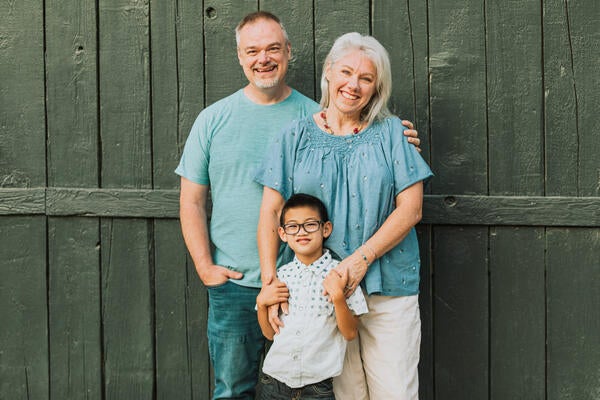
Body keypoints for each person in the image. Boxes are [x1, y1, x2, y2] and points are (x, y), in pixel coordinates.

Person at [175, 11, 420, 399]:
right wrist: (214, 270)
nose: (263, 58)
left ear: (289, 52)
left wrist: (396, 138)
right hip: (262, 285)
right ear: (239, 56)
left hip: (338, 284)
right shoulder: (222, 121)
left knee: (352, 390)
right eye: (252, 50)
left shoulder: (350, 123)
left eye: (273, 48)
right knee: (239, 388)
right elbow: (195, 201)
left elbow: (400, 189)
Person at [255, 32, 433, 399]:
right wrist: (270, 284)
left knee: (395, 391)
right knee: (346, 393)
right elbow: (271, 211)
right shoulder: (294, 136)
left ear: (376, 87)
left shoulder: (392, 134)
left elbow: (412, 208)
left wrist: (359, 260)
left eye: (366, 78)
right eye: (346, 73)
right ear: (329, 73)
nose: (353, 85)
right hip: (318, 294)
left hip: (388, 286)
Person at [256, 193, 368, 399]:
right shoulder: (281, 276)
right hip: (274, 382)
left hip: (317, 387)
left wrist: (338, 298)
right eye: (293, 226)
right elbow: (269, 334)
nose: (301, 232)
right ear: (282, 233)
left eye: (310, 224)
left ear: (326, 229)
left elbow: (350, 333)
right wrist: (261, 304)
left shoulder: (340, 275)